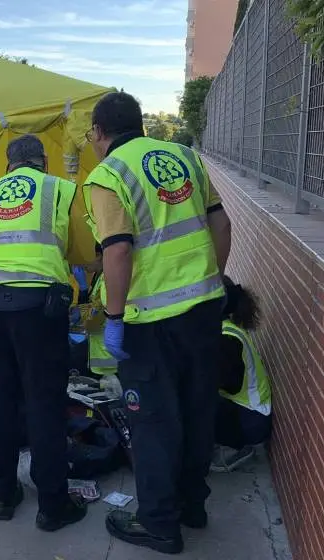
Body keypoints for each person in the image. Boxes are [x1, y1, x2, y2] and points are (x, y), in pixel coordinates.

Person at [82, 91, 232, 555]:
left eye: (91, 133)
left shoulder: (108, 175)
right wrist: (211, 281)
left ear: (100, 133)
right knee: (196, 411)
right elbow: (222, 224)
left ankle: (159, 524)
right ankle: (193, 506)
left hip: (150, 322)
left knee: (153, 423)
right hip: (204, 310)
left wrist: (113, 317)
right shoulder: (185, 156)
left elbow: (118, 249)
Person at [0, 134, 92, 532]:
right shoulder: (61, 189)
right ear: (42, 161)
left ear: (8, 164)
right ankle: (53, 505)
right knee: (44, 403)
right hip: (41, 309)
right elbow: (85, 253)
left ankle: (3, 496)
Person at [212, 276, 271, 473]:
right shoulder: (223, 329)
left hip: (250, 421)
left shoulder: (227, 338)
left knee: (194, 399)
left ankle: (235, 449)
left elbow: (227, 383)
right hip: (246, 414)